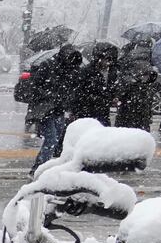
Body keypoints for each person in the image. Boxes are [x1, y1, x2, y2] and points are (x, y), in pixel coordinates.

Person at [30, 44, 83, 173]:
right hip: (45, 109)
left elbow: (72, 91)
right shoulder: (48, 65)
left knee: (56, 139)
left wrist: (69, 105)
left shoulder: (71, 70)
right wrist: (50, 95)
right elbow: (35, 86)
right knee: (51, 139)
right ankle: (39, 169)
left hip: (58, 110)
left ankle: (41, 167)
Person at [115, 39, 157, 131]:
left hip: (128, 96)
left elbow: (122, 74)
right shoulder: (149, 59)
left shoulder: (128, 56)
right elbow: (150, 78)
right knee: (140, 126)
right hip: (141, 98)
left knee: (124, 126)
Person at [71, 43, 118, 124]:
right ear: (99, 58)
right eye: (106, 59)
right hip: (88, 111)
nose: (108, 62)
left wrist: (114, 97)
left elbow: (113, 88)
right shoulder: (86, 72)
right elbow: (78, 93)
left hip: (105, 111)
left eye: (110, 59)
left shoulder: (112, 72)